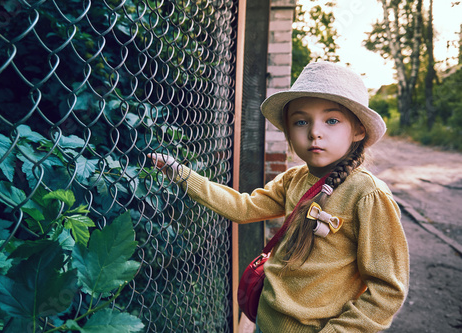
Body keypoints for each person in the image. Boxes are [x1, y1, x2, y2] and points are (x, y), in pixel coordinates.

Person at [149, 61, 409, 333]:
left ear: (358, 130)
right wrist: (180, 173)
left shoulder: (368, 195)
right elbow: (243, 207)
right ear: (288, 131)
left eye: (332, 120)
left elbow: (387, 291)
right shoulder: (293, 179)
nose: (314, 132)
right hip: (264, 321)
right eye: (301, 121)